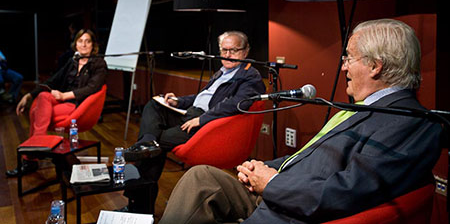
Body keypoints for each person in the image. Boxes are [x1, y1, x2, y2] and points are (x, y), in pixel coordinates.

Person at [158, 19, 443, 224]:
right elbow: (309, 157)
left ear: (375, 65)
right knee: (201, 176)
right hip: (282, 191)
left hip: (290, 211)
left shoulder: (408, 122)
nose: (343, 66)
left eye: (348, 57)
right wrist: (262, 168)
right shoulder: (361, 107)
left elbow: (345, 193)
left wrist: (271, 184)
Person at [122, 31, 266, 213]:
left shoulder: (249, 76)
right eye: (224, 50)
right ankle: (145, 145)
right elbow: (203, 97)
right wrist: (179, 101)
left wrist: (202, 119)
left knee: (156, 147)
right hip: (190, 114)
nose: (228, 55)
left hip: (207, 126)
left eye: (234, 50)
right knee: (154, 105)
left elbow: (236, 104)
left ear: (246, 52)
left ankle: (139, 207)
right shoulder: (222, 72)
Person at [6, 29, 107, 177]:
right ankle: (39, 145)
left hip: (78, 104)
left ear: (93, 45)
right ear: (76, 44)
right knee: (43, 96)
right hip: (63, 100)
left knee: (36, 113)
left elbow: (92, 88)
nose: (84, 44)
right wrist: (28, 95)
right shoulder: (73, 61)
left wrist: (64, 95)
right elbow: (53, 80)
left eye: (88, 41)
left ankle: (31, 158)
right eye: (80, 41)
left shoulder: (99, 63)